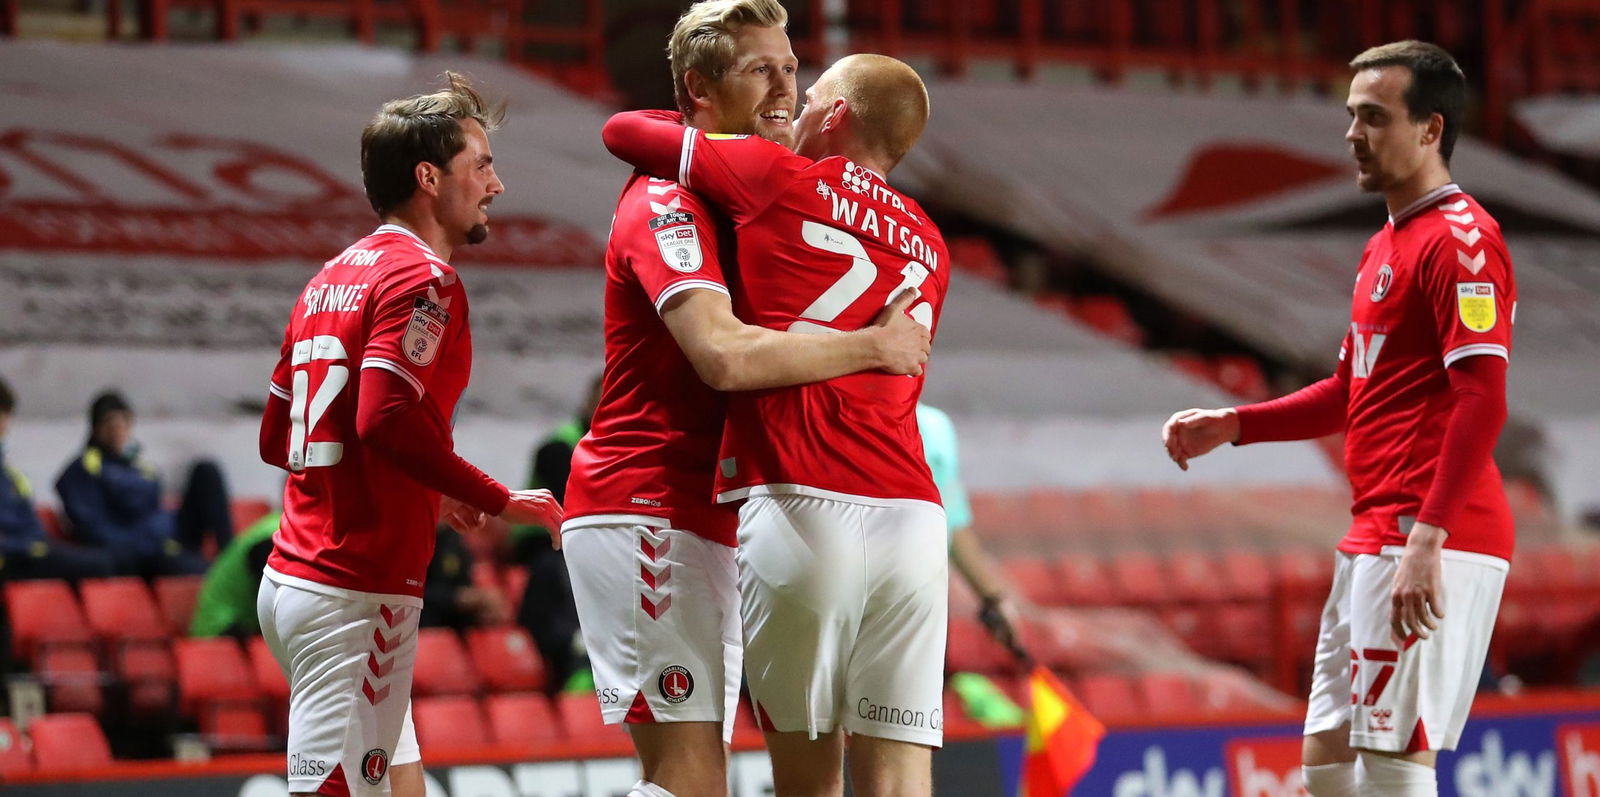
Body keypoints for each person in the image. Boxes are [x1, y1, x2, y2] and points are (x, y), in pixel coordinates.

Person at [566, 5, 933, 796]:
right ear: (698, 88)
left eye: (792, 68)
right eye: (759, 69)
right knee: (690, 779)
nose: (782, 88)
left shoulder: (771, 191)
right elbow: (724, 355)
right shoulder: (671, 199)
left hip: (722, 508)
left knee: (717, 779)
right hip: (650, 502)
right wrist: (874, 346)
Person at [1161, 41, 1515, 797]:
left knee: (1391, 758)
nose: (1352, 134)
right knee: (1326, 759)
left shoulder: (1462, 240)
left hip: (1424, 532)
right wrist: (1236, 422)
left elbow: (1484, 395)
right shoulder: (1385, 242)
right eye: (1351, 116)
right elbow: (1353, 389)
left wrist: (1430, 533)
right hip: (1375, 531)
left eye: (1373, 117)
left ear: (1431, 129)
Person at [254, 72, 563, 797]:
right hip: (353, 590)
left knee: (402, 784)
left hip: (294, 576)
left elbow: (279, 437)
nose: (497, 183)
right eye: (481, 164)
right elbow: (384, 417)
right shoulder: (426, 282)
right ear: (430, 176)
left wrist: (427, 480)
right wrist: (499, 497)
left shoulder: (331, 275)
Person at [917, 403, 1027, 728]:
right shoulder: (828, 409)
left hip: (920, 608)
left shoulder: (934, 426)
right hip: (849, 607)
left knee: (912, 730)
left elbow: (953, 520)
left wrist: (993, 597)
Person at [54, 391, 213, 578]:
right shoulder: (85, 468)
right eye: (110, 423)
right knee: (204, 572)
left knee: (206, 471)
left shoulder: (140, 467)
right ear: (96, 427)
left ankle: (228, 551)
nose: (118, 429)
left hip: (166, 537)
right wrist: (145, 544)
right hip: (140, 551)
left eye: (124, 422)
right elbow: (91, 527)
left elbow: (155, 511)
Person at [509, 376, 598, 694]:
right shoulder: (558, 447)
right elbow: (572, 509)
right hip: (541, 544)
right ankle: (578, 659)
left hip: (583, 544)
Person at [0, 377, 114, 583]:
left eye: (5, 417)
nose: (4, 427)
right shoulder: (83, 466)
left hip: (25, 553)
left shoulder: (12, 477)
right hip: (11, 559)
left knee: (102, 563)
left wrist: (29, 545)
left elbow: (32, 526)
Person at [190, 511, 279, 637]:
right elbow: (269, 599)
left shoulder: (279, 528)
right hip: (221, 629)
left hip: (247, 624)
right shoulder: (272, 537)